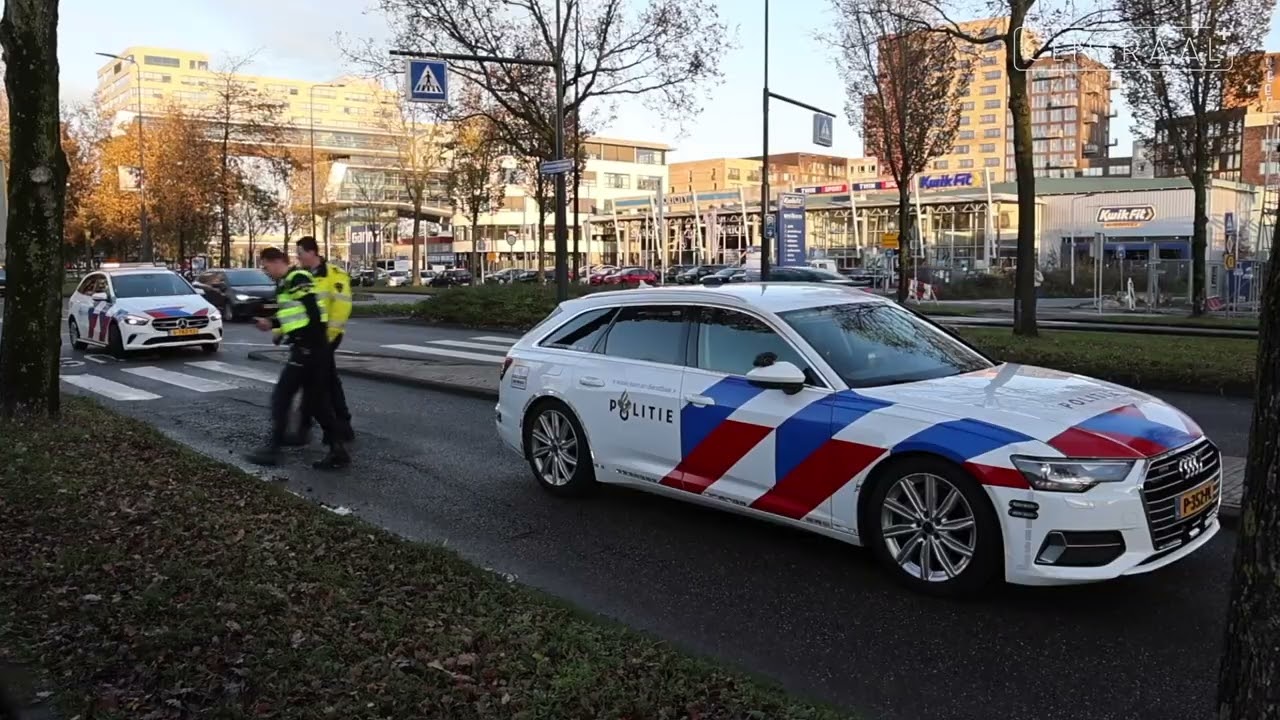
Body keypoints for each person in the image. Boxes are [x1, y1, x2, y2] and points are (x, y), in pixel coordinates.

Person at [246, 247, 350, 469]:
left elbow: (314, 313)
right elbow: (296, 314)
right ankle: (338, 450)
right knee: (315, 403)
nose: (266, 272)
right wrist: (274, 325)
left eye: (265, 267)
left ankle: (273, 449)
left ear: (275, 262)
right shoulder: (287, 282)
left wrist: (309, 344)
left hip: (308, 349)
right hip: (309, 348)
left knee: (282, 397)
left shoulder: (297, 278)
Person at [288, 236, 354, 445]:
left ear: (311, 252)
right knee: (324, 380)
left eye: (300, 253)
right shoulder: (300, 276)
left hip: (326, 337)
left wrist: (328, 337)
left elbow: (342, 307)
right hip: (309, 338)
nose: (298, 258)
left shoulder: (334, 275)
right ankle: (339, 425)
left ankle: (319, 427)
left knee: (318, 381)